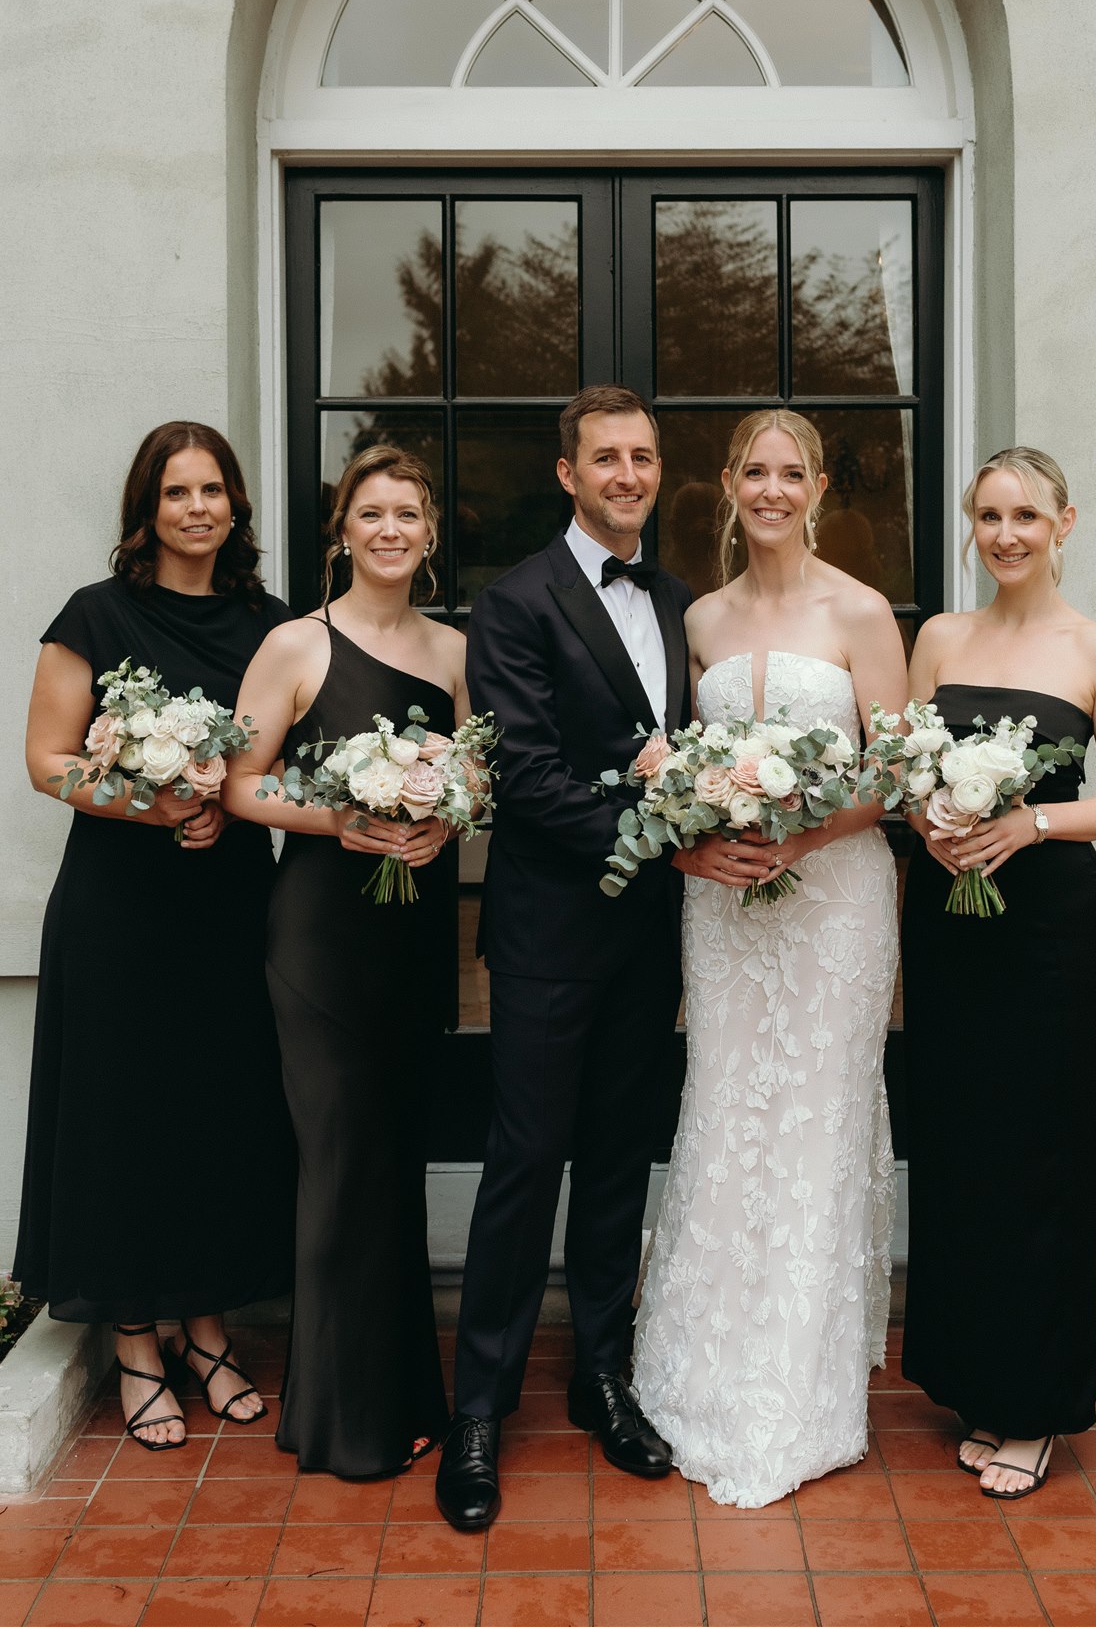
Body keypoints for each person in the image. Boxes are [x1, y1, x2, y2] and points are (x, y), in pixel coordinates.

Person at [632, 409, 907, 1506]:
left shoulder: (860, 610)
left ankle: (800, 1388)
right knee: (727, 1104)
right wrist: (701, 817)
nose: (772, 490)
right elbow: (674, 759)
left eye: (792, 472)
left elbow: (891, 773)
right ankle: (699, 1369)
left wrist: (801, 833)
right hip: (725, 905)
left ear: (820, 487)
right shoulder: (697, 617)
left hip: (833, 897)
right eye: (755, 471)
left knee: (814, 1118)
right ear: (728, 482)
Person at [436, 386, 691, 1532]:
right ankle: (478, 1410)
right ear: (567, 473)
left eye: (641, 455)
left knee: (618, 1159)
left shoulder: (676, 600)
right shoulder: (512, 600)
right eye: (605, 457)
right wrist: (662, 830)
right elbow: (526, 777)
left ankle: (600, 1376)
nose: (626, 473)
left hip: (648, 935)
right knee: (524, 1163)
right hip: (546, 932)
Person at [17, 422, 296, 1449]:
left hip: (227, 903)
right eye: (176, 491)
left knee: (215, 1110)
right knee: (123, 1114)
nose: (196, 508)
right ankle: (138, 1338)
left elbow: (277, 758)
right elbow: (49, 760)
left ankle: (207, 1327)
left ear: (235, 506)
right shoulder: (94, 614)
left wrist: (225, 798)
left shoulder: (268, 624)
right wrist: (154, 801)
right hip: (118, 908)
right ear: (146, 508)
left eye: (211, 490)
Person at [901, 446, 1096, 1501]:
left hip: (1049, 931)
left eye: (1025, 517)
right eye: (988, 516)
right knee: (960, 1147)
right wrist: (930, 820)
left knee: (1042, 1154)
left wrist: (1030, 821)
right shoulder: (939, 638)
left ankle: (1035, 1405)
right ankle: (972, 1379)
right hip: (949, 921)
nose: (1004, 535)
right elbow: (904, 767)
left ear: (1063, 523)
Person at [223, 446, 462, 1477]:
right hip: (320, 936)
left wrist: (444, 816)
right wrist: (339, 816)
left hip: (413, 934)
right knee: (339, 1161)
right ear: (342, 530)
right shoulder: (294, 643)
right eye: (371, 513)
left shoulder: (455, 651)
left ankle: (402, 1393)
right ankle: (339, 1419)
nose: (389, 530)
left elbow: (479, 780)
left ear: (429, 531)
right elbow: (239, 783)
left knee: (395, 1159)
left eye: (407, 513)